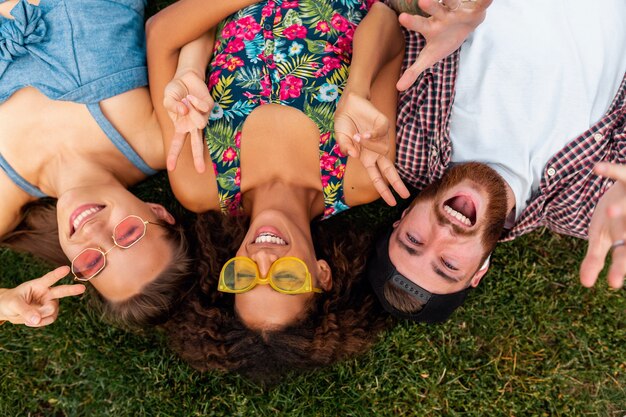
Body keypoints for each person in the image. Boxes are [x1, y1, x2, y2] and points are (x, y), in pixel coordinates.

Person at [146, 0, 407, 380]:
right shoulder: (360, 177)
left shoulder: (199, 181)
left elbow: (161, 36)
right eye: (286, 279)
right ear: (322, 275)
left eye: (244, 277)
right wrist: (358, 87)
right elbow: (386, 21)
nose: (262, 259)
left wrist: (188, 71)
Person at [358, 0, 626, 322]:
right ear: (479, 271)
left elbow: (391, 11)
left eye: (414, 240)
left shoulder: (405, 140)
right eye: (448, 265)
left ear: (402, 219)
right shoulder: (587, 208)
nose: (443, 232)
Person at [0, 0, 252, 327]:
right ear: (158, 212)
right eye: (127, 234)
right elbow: (194, 25)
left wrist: (4, 303)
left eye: (92, 262)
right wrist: (190, 68)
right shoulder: (156, 140)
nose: (95, 234)